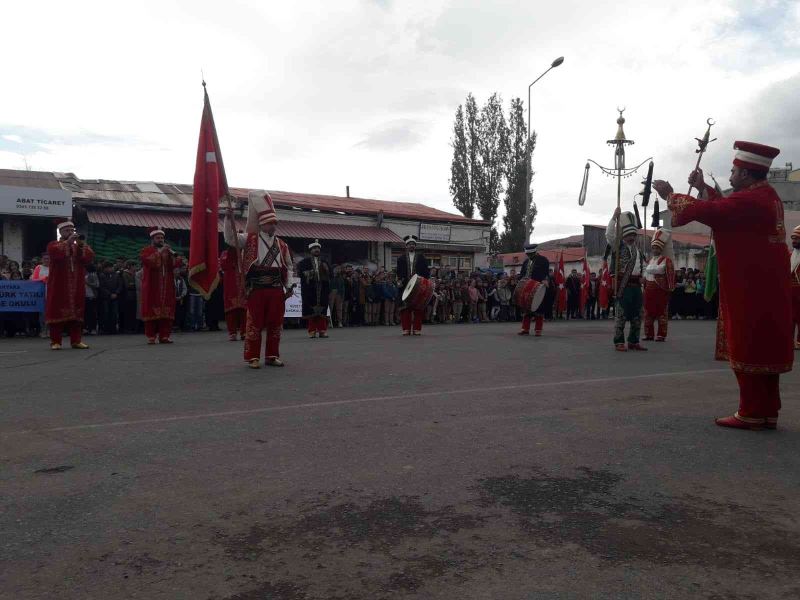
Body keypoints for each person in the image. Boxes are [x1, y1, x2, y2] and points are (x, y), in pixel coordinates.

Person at [655, 140, 792, 430]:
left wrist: (670, 195)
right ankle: (767, 411)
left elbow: (716, 212)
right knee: (763, 347)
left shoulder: (751, 201)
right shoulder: (765, 197)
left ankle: (752, 412)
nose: (730, 176)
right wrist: (705, 188)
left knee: (749, 344)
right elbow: (724, 207)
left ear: (745, 174)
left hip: (751, 289)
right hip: (765, 288)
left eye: (733, 171)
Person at [224, 191, 294, 368]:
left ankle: (271, 355)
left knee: (275, 324)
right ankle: (253, 357)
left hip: (277, 289)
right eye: (271, 223)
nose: (273, 226)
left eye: (275, 223)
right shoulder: (250, 239)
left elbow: (289, 266)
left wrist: (290, 284)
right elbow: (230, 238)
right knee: (254, 324)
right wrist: (227, 219)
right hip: (257, 289)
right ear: (262, 224)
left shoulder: (282, 244)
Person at [45, 219, 95, 349]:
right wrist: (67, 242)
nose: (70, 232)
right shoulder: (53, 244)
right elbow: (56, 255)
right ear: (60, 232)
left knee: (77, 313)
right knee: (57, 312)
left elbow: (88, 258)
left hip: (77, 284)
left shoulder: (78, 245)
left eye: (72, 230)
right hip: (59, 285)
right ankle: (56, 341)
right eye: (67, 230)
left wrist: (80, 246)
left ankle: (76, 340)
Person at [607, 209, 646, 351]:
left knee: (637, 315)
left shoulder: (638, 251)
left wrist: (643, 276)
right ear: (624, 235)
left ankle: (634, 341)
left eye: (633, 235)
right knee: (621, 315)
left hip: (636, 287)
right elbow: (609, 234)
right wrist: (614, 217)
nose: (632, 237)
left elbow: (644, 266)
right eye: (629, 235)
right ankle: (619, 341)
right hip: (623, 286)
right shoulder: (617, 246)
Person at [140, 226, 182, 344]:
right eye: (158, 238)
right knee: (151, 310)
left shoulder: (167, 251)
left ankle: (164, 336)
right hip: (152, 286)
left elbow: (176, 264)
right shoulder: (146, 250)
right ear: (152, 239)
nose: (161, 240)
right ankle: (151, 336)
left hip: (167, 285)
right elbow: (150, 262)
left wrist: (176, 257)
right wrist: (160, 252)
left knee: (167, 311)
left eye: (162, 238)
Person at [643, 229, 676, 342]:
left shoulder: (666, 260)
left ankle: (661, 335)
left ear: (661, 248)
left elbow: (660, 270)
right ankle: (649, 334)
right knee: (648, 313)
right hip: (648, 289)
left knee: (661, 313)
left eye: (657, 248)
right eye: (653, 248)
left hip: (660, 289)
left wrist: (650, 269)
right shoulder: (650, 260)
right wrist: (650, 270)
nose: (655, 250)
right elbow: (647, 272)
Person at [395, 235, 430, 335]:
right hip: (405, 285)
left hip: (418, 284)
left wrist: (425, 281)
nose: (411, 246)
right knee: (405, 308)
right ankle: (406, 329)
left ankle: (417, 329)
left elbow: (426, 271)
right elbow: (398, 272)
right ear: (406, 246)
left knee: (418, 307)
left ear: (415, 246)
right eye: (409, 244)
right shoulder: (401, 258)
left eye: (413, 244)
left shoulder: (421, 257)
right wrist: (399, 281)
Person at [517, 243, 553, 336]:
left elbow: (545, 273)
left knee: (539, 308)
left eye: (531, 254)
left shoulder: (543, 260)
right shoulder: (526, 262)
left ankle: (538, 330)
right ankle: (525, 329)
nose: (529, 256)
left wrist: (545, 280)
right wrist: (520, 281)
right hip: (527, 287)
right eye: (528, 254)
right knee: (526, 309)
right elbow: (522, 273)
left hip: (538, 287)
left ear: (535, 252)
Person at [297, 239, 331, 338]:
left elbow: (330, 274)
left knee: (321, 309)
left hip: (322, 288)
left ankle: (322, 330)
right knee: (311, 309)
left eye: (318, 248)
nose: (316, 250)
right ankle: (312, 331)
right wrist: (312, 273)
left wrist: (326, 270)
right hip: (310, 288)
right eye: (314, 248)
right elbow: (301, 273)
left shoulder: (325, 261)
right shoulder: (304, 262)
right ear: (310, 250)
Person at [220, 245, 247, 341]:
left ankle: (244, 332)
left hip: (243, 285)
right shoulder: (225, 254)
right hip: (230, 286)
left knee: (244, 311)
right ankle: (232, 332)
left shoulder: (245, 254)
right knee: (231, 311)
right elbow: (223, 265)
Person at [98, 260, 123, 334]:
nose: (111, 269)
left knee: (114, 313)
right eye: (109, 268)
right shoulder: (101, 275)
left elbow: (120, 285)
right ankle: (105, 329)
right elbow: (101, 287)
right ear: (105, 268)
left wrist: (116, 293)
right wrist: (109, 294)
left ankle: (113, 328)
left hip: (115, 297)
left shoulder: (116, 275)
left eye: (111, 267)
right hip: (105, 297)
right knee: (106, 313)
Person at [790, 225, 800, 350]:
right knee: (789, 319)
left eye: (797, 239)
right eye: (793, 238)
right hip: (790, 294)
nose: (794, 241)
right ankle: (788, 341)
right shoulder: (789, 255)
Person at [84, 263, 99, 335]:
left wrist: (87, 283)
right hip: (84, 296)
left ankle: (92, 328)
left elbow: (97, 285)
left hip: (91, 295)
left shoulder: (92, 275)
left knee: (92, 313)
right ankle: (86, 328)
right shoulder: (82, 274)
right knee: (85, 313)